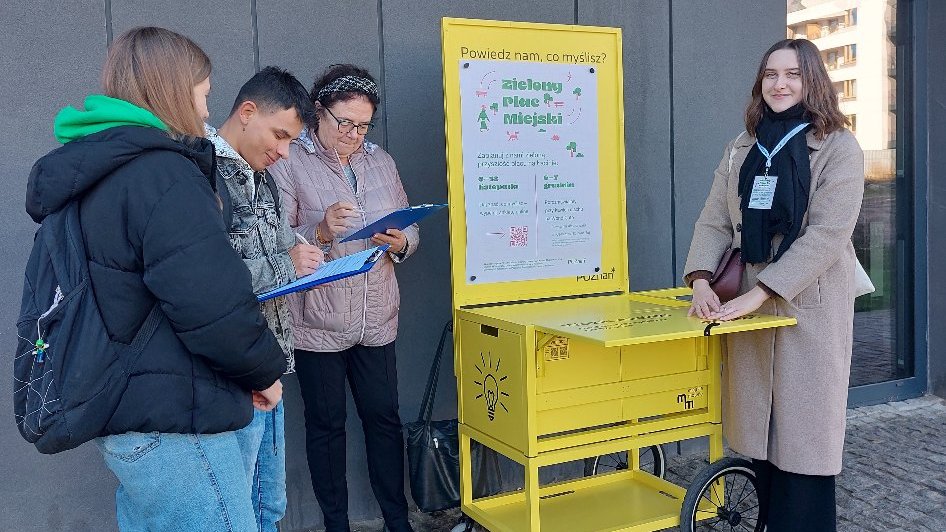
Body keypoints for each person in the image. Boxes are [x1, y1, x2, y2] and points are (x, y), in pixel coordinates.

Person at [26, 27, 286, 531]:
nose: (208, 113)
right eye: (204, 95)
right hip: (177, 421)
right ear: (171, 90)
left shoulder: (95, 170)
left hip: (124, 415)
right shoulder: (163, 175)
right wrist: (262, 372)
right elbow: (211, 301)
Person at [683, 38, 864, 531]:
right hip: (747, 301)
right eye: (770, 75)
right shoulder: (744, 145)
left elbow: (828, 234)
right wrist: (701, 280)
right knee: (756, 433)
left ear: (813, 82)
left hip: (809, 302)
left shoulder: (839, 147)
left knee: (804, 439)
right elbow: (715, 221)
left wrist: (760, 295)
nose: (779, 84)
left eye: (792, 74)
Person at [269, 64, 418, 532]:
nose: (354, 134)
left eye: (363, 125)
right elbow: (272, 238)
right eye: (344, 123)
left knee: (384, 420)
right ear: (319, 112)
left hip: (376, 315)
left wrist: (402, 242)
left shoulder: (381, 161)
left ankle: (398, 520)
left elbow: (408, 223)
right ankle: (336, 524)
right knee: (327, 429)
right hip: (319, 319)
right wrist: (318, 230)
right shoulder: (290, 159)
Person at [206, 66, 323, 532]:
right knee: (234, 511)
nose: (283, 151)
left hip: (270, 363)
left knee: (267, 506)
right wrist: (288, 263)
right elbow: (209, 277)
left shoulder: (262, 176)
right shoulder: (204, 174)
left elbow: (276, 242)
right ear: (247, 112)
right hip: (233, 373)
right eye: (280, 135)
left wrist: (306, 249)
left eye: (292, 141)